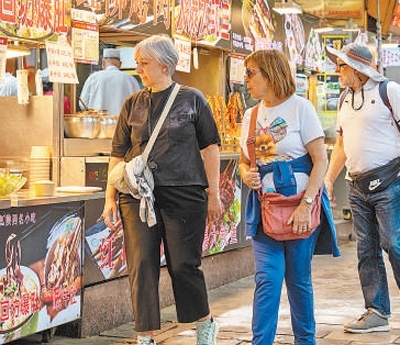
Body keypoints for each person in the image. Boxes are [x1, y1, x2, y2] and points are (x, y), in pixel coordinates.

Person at [102, 34, 221, 345]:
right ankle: (145, 336)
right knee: (141, 264)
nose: (139, 69)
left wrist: (214, 194)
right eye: (137, 63)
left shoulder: (192, 99)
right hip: (137, 195)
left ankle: (205, 323)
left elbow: (210, 148)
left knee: (183, 265)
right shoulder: (132, 103)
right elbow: (118, 153)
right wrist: (109, 198)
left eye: (144, 63)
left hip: (185, 193)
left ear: (166, 66)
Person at [238, 49, 340, 345]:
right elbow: (245, 161)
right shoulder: (251, 115)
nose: (246, 80)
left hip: (299, 211)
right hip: (265, 210)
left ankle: (305, 341)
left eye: (251, 73)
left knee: (298, 280)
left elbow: (320, 160)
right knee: (267, 280)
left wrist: (306, 205)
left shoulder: (301, 108)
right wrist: (245, 173)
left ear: (271, 74)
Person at [324, 42, 400, 334]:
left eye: (341, 65)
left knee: (394, 244)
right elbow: (342, 143)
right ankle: (376, 311)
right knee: (366, 250)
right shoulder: (345, 98)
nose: (337, 70)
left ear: (358, 69)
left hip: (390, 182)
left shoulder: (388, 91)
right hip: (356, 185)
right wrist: (329, 179)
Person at [79, 48, 140, 115]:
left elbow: (82, 104)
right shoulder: (131, 79)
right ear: (120, 64)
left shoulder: (93, 78)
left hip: (98, 120)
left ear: (103, 63)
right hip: (123, 121)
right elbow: (138, 105)